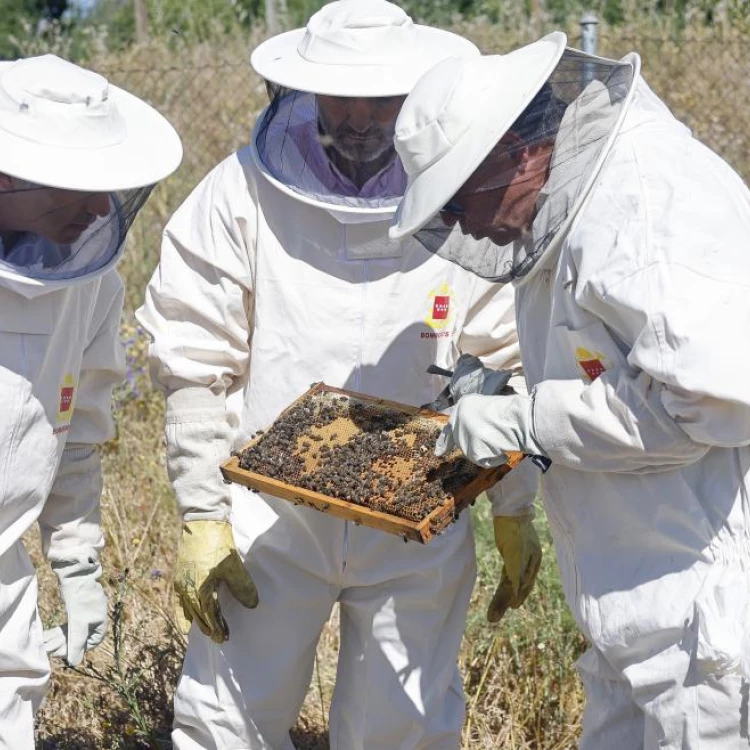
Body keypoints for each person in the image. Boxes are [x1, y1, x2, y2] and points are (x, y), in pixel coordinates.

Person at [136, 1, 541, 747]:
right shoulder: (240, 193)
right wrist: (202, 513)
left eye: (381, 99)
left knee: (404, 724)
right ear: (301, 92)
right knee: (227, 720)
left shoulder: (462, 197)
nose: (358, 118)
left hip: (421, 508)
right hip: (271, 511)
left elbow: (504, 362)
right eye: (340, 98)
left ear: (417, 95)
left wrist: (515, 504)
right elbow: (196, 363)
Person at [389, 30, 750, 750]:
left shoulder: (641, 204)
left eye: (463, 197)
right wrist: (512, 389)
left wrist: (528, 419)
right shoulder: (574, 201)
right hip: (635, 619)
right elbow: (617, 366)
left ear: (520, 149)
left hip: (704, 629)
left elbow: (717, 400)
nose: (465, 225)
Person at [0, 54, 182, 750]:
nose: (99, 210)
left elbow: (70, 435)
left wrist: (76, 565)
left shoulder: (91, 285)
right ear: (9, 173)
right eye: (77, 188)